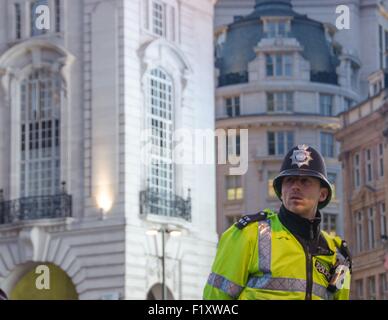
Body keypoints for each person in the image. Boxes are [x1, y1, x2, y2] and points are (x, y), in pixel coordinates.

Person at [203, 144, 351, 300]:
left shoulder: (338, 255)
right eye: (289, 180)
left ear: (322, 194)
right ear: (281, 190)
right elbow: (215, 298)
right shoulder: (249, 234)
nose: (295, 187)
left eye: (305, 181)